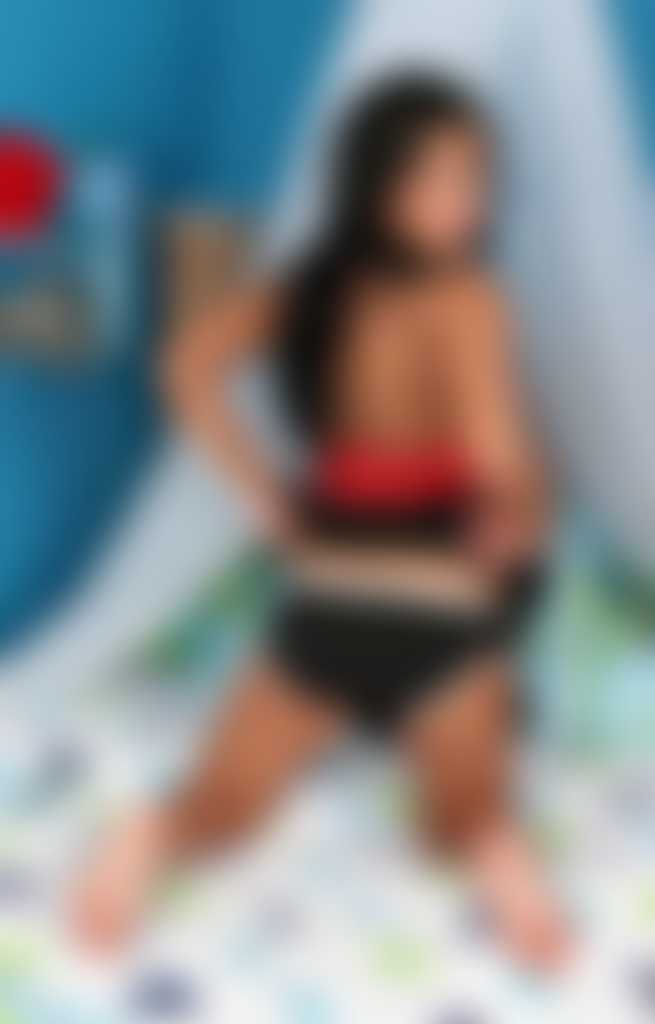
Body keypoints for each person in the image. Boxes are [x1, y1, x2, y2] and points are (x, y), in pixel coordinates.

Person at [71, 73, 570, 968]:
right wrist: (523, 512)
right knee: (464, 814)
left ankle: (146, 838)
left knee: (222, 807)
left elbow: (183, 364)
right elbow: (495, 453)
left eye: (477, 177)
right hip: (438, 596)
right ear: (379, 183)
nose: (467, 201)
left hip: (327, 595)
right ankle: (501, 863)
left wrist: (264, 492)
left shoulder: (308, 290)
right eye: (443, 177)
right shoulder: (465, 296)